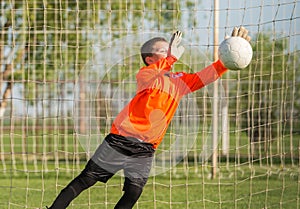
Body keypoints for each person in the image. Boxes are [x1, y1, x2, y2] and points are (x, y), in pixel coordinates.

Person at [47, 27, 251, 209]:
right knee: (87, 179)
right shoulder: (145, 75)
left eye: (170, 48)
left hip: (146, 147)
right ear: (150, 59)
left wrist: (225, 61)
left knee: (134, 191)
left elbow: (204, 76)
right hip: (120, 139)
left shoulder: (178, 81)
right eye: (164, 49)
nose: (171, 50)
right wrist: (170, 59)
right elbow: (156, 72)